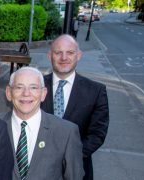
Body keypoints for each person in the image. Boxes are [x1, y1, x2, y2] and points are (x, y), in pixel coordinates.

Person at [40, 35, 109, 180]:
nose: (64, 57)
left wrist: (69, 157)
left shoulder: (96, 91)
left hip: (77, 169)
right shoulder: (35, 87)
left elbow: (97, 134)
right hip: (38, 169)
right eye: (58, 52)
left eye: (70, 52)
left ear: (79, 55)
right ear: (49, 55)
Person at [0, 67, 84, 180]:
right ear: (9, 93)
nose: (26, 93)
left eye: (33, 88)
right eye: (19, 87)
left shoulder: (66, 132)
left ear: (43, 94)